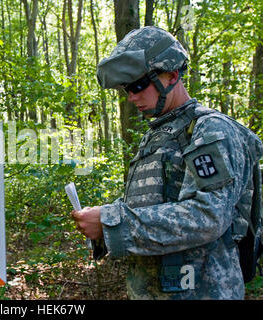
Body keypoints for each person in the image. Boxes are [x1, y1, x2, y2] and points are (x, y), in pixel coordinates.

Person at [71, 26, 263, 299]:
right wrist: (103, 219)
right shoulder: (160, 134)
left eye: (138, 85)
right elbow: (153, 204)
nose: (131, 96)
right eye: (126, 88)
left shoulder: (209, 130)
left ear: (172, 75)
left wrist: (112, 223)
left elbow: (208, 216)